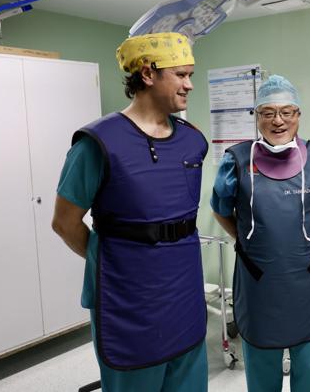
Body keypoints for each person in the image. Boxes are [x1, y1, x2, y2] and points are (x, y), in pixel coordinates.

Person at [51, 32, 209, 391]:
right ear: (148, 74)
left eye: (191, 75)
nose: (190, 85)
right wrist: (109, 258)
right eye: (181, 75)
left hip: (184, 291)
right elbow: (64, 222)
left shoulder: (192, 140)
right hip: (128, 299)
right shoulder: (99, 144)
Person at [211, 75, 310, 392]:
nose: (277, 121)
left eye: (286, 112)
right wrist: (244, 238)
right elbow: (221, 208)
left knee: (309, 369)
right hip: (258, 284)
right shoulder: (236, 160)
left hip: (305, 280)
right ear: (256, 117)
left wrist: (301, 234)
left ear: (298, 115)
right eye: (267, 112)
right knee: (261, 373)